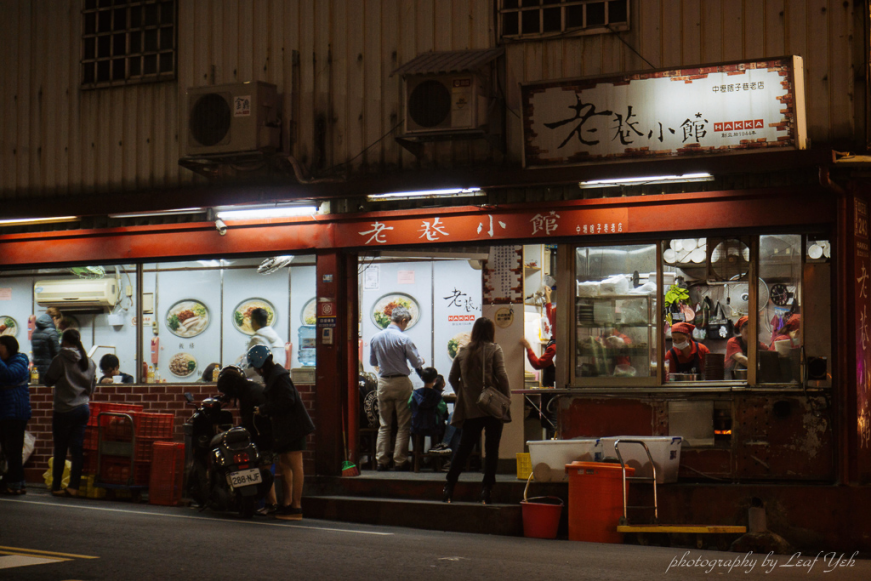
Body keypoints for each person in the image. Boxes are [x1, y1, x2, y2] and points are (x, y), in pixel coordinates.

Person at [443, 317, 511, 505]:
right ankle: (486, 490)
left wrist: (463, 395)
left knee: (464, 448)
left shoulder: (463, 351)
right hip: (492, 407)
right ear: (491, 331)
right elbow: (502, 376)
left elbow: (452, 377)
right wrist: (506, 399)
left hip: (472, 408)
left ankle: (449, 486)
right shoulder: (494, 349)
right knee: (491, 450)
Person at [249, 345, 314, 521]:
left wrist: (264, 409)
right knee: (285, 466)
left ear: (260, 364)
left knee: (295, 466)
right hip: (286, 429)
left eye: (255, 367)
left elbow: (287, 400)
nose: (255, 370)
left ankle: (296, 506)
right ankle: (286, 504)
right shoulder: (275, 375)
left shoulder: (278, 377)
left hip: (294, 428)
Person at [368, 306, 424, 472]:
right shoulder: (404, 339)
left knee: (384, 424)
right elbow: (416, 363)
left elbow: (372, 362)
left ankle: (381, 461)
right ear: (404, 320)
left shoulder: (375, 338)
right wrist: (421, 361)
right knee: (403, 425)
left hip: (384, 383)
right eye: (407, 323)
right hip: (401, 383)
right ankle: (400, 461)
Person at [217, 365, 277, 516]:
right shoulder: (249, 389)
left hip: (264, 436)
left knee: (265, 469)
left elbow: (249, 422)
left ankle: (272, 504)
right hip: (266, 434)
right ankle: (270, 504)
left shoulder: (248, 394)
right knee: (265, 469)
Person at [44, 329, 97, 497]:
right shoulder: (89, 361)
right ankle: (74, 486)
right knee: (77, 449)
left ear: (65, 342)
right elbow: (92, 387)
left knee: (60, 449)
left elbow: (47, 381)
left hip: (64, 409)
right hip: (83, 408)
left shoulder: (60, 360)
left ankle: (57, 486)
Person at [0, 336, 32, 495]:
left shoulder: (20, 361)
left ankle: (15, 483)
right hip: (6, 413)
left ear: (9, 347)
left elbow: (9, 375)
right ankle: (14, 482)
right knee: (8, 451)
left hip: (16, 413)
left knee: (13, 451)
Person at [409, 367, 448, 444]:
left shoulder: (415, 393)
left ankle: (417, 453)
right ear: (435, 380)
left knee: (414, 430)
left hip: (417, 426)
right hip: (433, 426)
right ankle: (435, 451)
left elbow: (409, 405)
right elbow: (443, 409)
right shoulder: (437, 395)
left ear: (422, 378)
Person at [245, 308, 286, 380]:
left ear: (254, 322)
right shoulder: (278, 340)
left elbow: (252, 366)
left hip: (261, 381)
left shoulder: (256, 340)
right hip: (278, 378)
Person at [31, 307, 62, 383]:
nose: (57, 325)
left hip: (37, 371)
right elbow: (57, 354)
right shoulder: (51, 332)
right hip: (49, 371)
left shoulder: (35, 331)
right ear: (54, 319)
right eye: (58, 322)